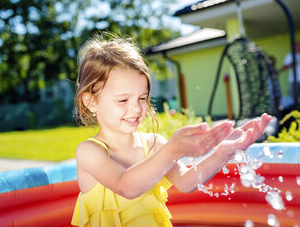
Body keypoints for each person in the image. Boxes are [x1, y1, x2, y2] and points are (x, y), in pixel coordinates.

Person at [71, 34, 272, 227]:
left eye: (142, 98)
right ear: (90, 102)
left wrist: (224, 152)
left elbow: (186, 182)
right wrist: (172, 150)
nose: (137, 108)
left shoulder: (153, 144)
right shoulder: (90, 152)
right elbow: (126, 186)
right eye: (123, 100)